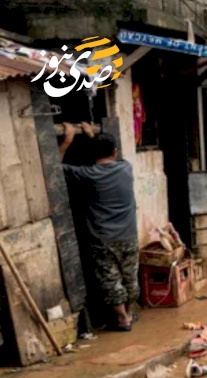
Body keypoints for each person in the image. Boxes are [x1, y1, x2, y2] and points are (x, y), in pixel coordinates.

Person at [59, 122, 138, 331]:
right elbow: (109, 157)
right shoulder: (126, 168)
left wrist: (67, 141)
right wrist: (92, 136)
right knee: (129, 276)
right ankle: (129, 314)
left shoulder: (87, 174)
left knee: (110, 278)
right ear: (115, 151)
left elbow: (55, 167)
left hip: (103, 239)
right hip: (129, 234)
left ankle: (122, 318)